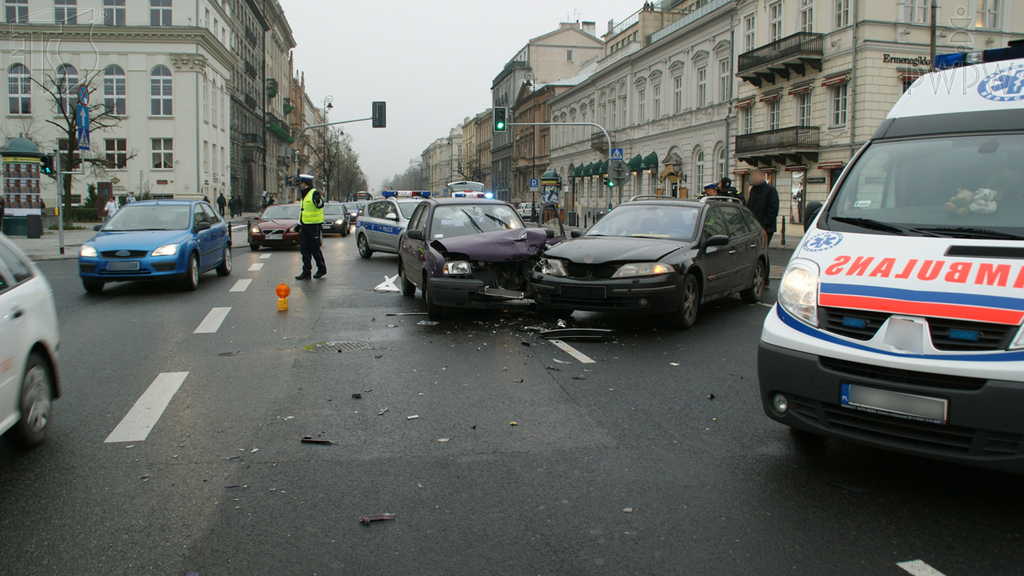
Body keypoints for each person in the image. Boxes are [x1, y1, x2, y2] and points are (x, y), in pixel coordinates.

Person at [747, 168, 780, 287]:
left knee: (763, 252)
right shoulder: (753, 190)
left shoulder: (770, 191)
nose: (754, 179)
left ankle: (765, 279)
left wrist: (764, 226)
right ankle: (757, 276)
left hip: (766, 228)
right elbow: (749, 208)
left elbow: (773, 210)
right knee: (756, 252)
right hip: (754, 228)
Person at [295, 174, 326, 280]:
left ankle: (321, 269)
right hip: (305, 225)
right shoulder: (304, 195)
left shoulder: (314, 193)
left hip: (314, 226)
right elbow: (303, 211)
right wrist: (299, 224)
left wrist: (319, 200)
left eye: (301, 183)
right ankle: (306, 271)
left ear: (304, 183)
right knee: (304, 250)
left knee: (315, 249)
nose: (300, 185)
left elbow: (320, 204)